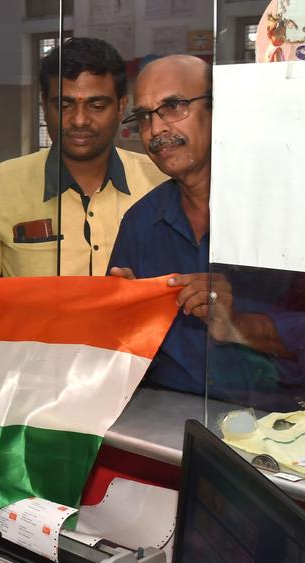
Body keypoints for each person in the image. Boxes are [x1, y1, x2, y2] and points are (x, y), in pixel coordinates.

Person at [109, 55, 305, 407]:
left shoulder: (287, 211)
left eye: (173, 106)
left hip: (275, 427)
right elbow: (122, 359)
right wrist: (118, 315)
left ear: (220, 110)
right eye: (144, 117)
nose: (156, 130)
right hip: (162, 424)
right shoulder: (140, 223)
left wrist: (241, 326)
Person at [0, 37, 166, 279]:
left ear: (121, 106)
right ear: (44, 105)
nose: (79, 120)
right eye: (64, 105)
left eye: (97, 106)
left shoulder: (158, 183)